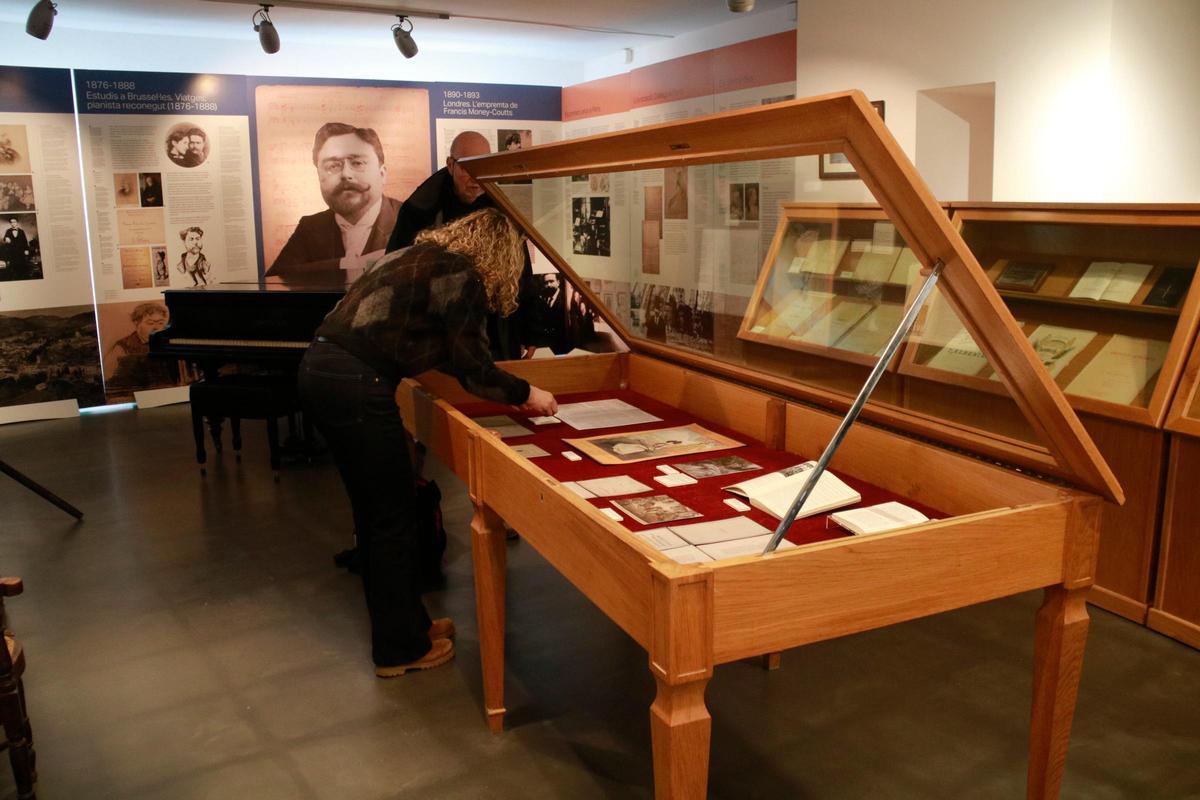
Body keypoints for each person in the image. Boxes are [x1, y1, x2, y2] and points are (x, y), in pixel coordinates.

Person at [298, 208, 558, 677]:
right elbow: (473, 368)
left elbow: (414, 340)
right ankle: (399, 651)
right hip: (357, 385)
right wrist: (527, 395)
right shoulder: (461, 275)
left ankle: (411, 626)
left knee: (383, 514)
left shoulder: (418, 255)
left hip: (323, 372)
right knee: (391, 520)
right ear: (500, 253)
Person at [266, 122, 400, 280]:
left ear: (382, 174)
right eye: (333, 166)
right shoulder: (310, 227)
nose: (346, 174)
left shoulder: (411, 220)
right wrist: (352, 264)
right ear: (319, 177)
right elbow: (277, 279)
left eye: (357, 163)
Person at [105, 302, 177, 390]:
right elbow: (109, 379)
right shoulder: (122, 347)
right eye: (150, 323)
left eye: (160, 323)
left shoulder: (168, 342)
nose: (156, 327)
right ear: (137, 323)